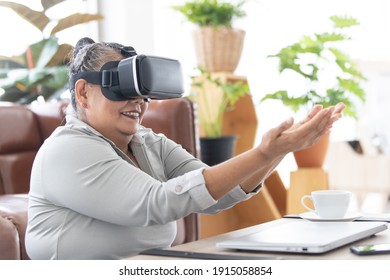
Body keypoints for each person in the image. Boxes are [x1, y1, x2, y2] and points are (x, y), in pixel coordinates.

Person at [25, 37, 345, 260]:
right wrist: (263, 152)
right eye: (123, 88)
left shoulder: (147, 142)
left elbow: (217, 194)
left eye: (143, 92)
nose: (138, 102)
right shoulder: (67, 151)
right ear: (83, 93)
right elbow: (157, 203)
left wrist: (279, 151)